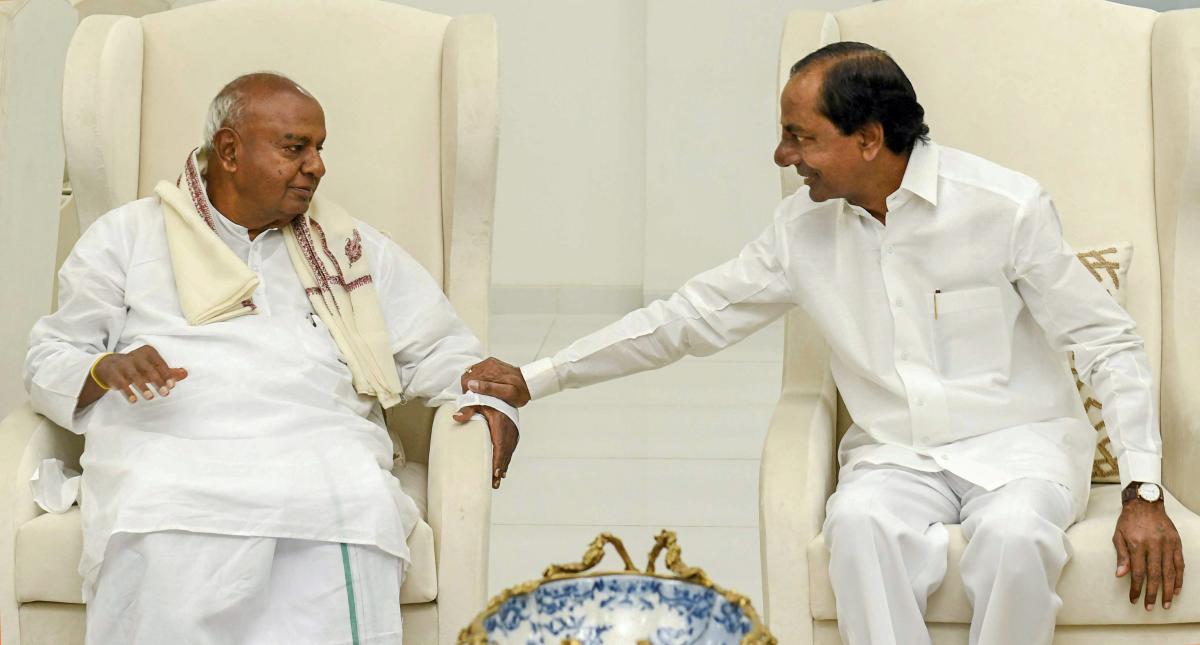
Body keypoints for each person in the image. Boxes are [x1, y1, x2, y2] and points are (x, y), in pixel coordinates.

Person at [459, 42, 1182, 645]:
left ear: (868, 138)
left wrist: (1143, 489)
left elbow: (1105, 340)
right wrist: (538, 376)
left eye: (801, 136)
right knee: (858, 526)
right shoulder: (799, 233)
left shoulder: (1005, 207)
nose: (783, 155)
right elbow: (687, 317)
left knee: (1016, 538)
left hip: (1018, 446)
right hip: (897, 455)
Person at [25, 72, 519, 644]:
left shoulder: (348, 248)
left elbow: (437, 347)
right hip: (170, 449)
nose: (317, 166)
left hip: (319, 446)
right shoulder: (127, 236)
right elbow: (50, 356)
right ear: (230, 151)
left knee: (358, 502)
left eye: (319, 148)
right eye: (295, 148)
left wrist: (481, 386)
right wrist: (102, 369)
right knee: (157, 509)